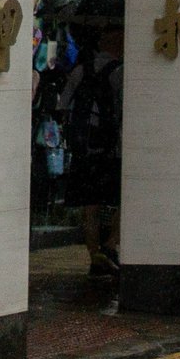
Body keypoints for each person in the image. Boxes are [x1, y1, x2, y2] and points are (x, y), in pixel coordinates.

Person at [62, 25, 126, 277]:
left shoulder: (80, 69)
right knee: (124, 198)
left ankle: (94, 255)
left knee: (90, 204)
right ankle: (110, 246)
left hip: (84, 147)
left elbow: (63, 104)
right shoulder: (119, 72)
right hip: (113, 147)